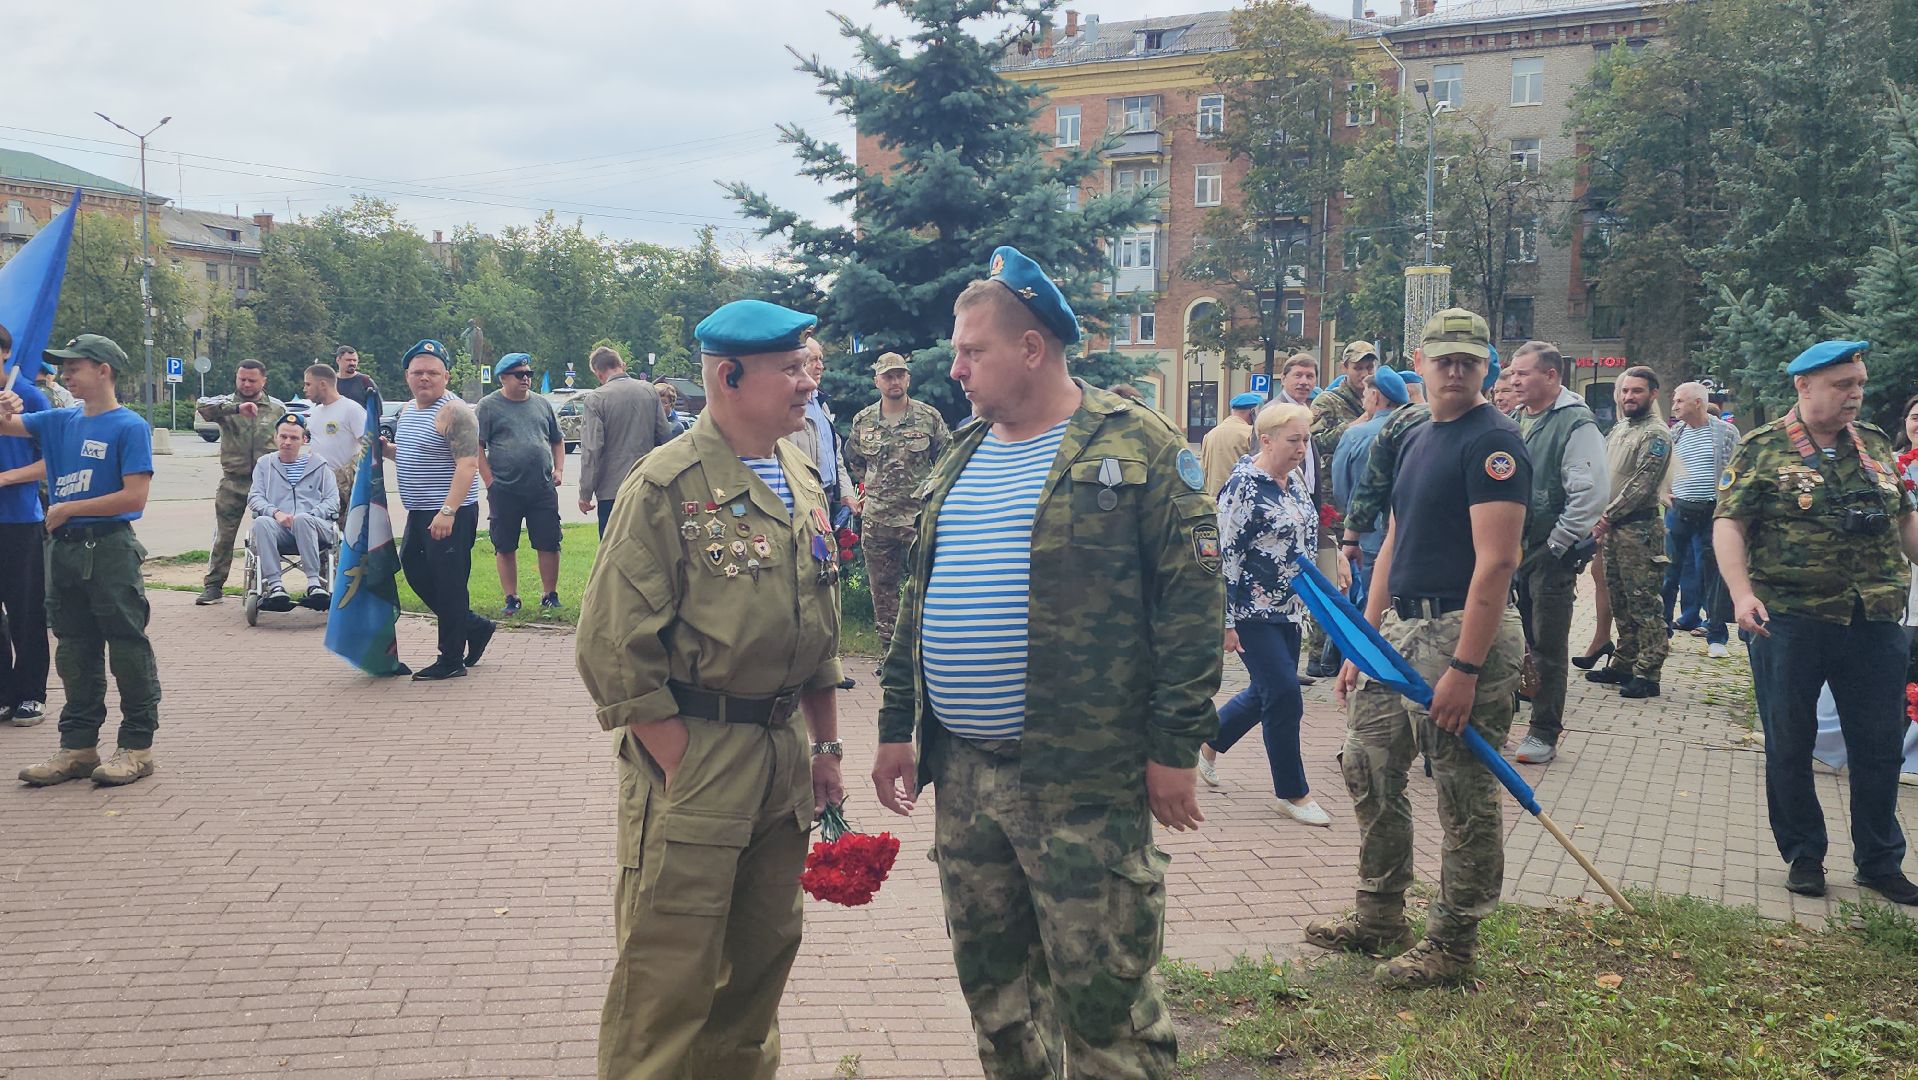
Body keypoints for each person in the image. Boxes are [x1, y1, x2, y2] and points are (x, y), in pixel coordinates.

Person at [871, 246, 1222, 1076]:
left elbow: (1192, 607)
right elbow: (918, 600)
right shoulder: (961, 453)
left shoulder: (1136, 445)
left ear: (1032, 348)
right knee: (997, 1007)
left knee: (1107, 1012)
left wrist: (1175, 748)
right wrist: (894, 726)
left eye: (972, 350)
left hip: (1083, 780)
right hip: (965, 776)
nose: (955, 369)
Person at [575, 298, 846, 1078]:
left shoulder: (798, 471)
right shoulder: (665, 486)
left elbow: (817, 623)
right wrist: (680, 759)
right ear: (729, 376)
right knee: (668, 976)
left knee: (759, 968)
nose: (807, 382)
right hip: (700, 751)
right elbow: (610, 644)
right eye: (789, 368)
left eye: (806, 365)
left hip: (783, 756)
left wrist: (825, 747)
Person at [1306, 308, 1530, 989]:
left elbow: (1498, 562)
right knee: (1366, 761)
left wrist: (1465, 668)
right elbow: (1395, 541)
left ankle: (1453, 945)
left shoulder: (1494, 443)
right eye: (1444, 359)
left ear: (1486, 365)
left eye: (1469, 360)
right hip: (1401, 632)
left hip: (1463, 631)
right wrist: (1363, 639)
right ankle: (1380, 915)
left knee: (1463, 792)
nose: (1456, 370)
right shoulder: (1416, 435)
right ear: (1420, 362)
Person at [1715, 340, 1918, 906]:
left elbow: (1904, 519)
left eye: (1859, 384)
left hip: (1873, 618)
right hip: (1790, 619)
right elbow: (1729, 525)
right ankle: (1804, 854)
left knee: (1879, 745)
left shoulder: (1874, 443)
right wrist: (1740, 594)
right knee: (1790, 741)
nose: (1855, 395)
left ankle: (1879, 861)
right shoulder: (1762, 448)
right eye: (1842, 385)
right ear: (1803, 386)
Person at [0, 335, 161, 787]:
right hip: (64, 549)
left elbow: (135, 497)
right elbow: (7, 425)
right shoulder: (58, 420)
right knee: (73, 649)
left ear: (104, 370)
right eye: (65, 367)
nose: (66, 374)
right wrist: (5, 402)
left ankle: (136, 747)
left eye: (75, 366)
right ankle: (78, 747)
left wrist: (70, 507)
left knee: (126, 646)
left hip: (108, 548)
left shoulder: (129, 425)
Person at [1203, 401, 1330, 827]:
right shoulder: (1243, 485)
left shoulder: (1294, 481)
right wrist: (1225, 620)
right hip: (1250, 610)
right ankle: (1292, 793)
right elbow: (1224, 554)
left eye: (1306, 440)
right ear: (1266, 440)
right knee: (1284, 694)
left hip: (1290, 608)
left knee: (1266, 692)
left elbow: (1304, 535)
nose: (1301, 449)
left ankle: (1207, 741)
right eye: (1293, 440)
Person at [1507, 342, 1608, 764]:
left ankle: (1544, 730)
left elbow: (1590, 493)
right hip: (1514, 550)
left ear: (1551, 375)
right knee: (1514, 639)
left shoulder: (1574, 422)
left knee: (1547, 643)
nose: (1514, 381)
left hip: (1550, 553)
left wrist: (1557, 543)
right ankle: (1502, 719)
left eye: (1523, 373)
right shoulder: (1518, 419)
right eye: (1512, 373)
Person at [385, 339, 494, 681]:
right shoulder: (408, 410)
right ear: (407, 376)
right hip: (419, 510)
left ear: (446, 376)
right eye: (418, 372)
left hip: (449, 512)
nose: (424, 378)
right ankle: (472, 626)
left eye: (432, 372)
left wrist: (448, 511)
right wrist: (385, 450)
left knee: (449, 584)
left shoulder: (456, 412)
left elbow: (467, 465)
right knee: (415, 571)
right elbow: (412, 453)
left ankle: (451, 659)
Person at [843, 352, 950, 668]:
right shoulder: (864, 421)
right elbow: (854, 459)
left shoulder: (928, 417)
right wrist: (874, 487)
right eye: (888, 376)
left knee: (926, 587)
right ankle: (890, 657)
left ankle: (923, 653)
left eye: (900, 375)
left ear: (908, 378)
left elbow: (946, 457)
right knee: (883, 591)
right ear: (877, 381)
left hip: (917, 519)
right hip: (878, 521)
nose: (895, 381)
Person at [1588, 366, 1672, 698]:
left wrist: (1605, 516)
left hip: (1639, 530)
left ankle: (1649, 671)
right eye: (1625, 390)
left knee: (1643, 602)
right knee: (1620, 599)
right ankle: (1624, 662)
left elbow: (1641, 485)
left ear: (1653, 394)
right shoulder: (1621, 428)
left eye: (1637, 391)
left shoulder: (1656, 434)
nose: (1629, 396)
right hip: (1615, 531)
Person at [477, 353, 565, 615]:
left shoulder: (542, 403)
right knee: (505, 544)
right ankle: (511, 597)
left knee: (549, 541)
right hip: (504, 488)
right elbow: (477, 446)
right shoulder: (488, 406)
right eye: (519, 374)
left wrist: (559, 469)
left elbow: (557, 439)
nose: (525, 378)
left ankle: (550, 595)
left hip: (541, 486)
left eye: (528, 374)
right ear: (503, 378)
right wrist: (489, 480)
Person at [196, 360, 286, 605]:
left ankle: (270, 585)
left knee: (270, 534)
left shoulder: (277, 408)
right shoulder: (226, 404)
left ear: (263, 381)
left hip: (268, 483)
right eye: (242, 379)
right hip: (233, 481)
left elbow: (292, 434)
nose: (246, 384)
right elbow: (202, 407)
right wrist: (236, 409)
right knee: (224, 535)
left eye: (252, 380)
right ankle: (214, 585)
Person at [1663, 381, 1740, 658]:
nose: (1674, 406)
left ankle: (1716, 635)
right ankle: (1662, 632)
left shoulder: (1725, 432)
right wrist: (1663, 493)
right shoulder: (1675, 432)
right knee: (1668, 572)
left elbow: (1736, 470)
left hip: (1712, 511)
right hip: (1678, 510)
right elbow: (1662, 468)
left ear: (1698, 403)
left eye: (1679, 401)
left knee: (1713, 574)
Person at [0, 322, 51, 729]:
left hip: (18, 520)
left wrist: (6, 478)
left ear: (5, 353)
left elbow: (54, 458)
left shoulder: (29, 397)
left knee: (26, 611)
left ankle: (31, 692)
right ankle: (3, 692)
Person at [1331, 368, 1411, 608]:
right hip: (1405, 537)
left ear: (1376, 397)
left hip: (1366, 538)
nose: (1363, 399)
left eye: (1365, 393)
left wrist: (1352, 528)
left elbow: (1340, 488)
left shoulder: (1355, 434)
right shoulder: (1416, 431)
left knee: (1367, 605)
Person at [246, 414, 339, 610]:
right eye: (283, 436)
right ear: (275, 437)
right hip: (279, 528)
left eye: (294, 438)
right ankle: (275, 587)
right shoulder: (264, 464)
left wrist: (312, 515)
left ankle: (314, 584)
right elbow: (254, 497)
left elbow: (333, 500)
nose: (287, 442)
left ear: (304, 440)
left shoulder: (320, 465)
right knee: (261, 522)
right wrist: (276, 513)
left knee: (303, 519)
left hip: (314, 528)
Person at [576, 345, 671, 535]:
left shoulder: (596, 399)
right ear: (622, 365)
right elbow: (664, 434)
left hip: (612, 490)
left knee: (613, 547)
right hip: (646, 483)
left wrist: (585, 493)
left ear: (598, 373)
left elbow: (592, 449)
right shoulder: (649, 390)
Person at [785, 339, 856, 515]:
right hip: (803, 503)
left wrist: (846, 492)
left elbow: (835, 454)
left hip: (828, 499)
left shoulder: (821, 404)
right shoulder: (787, 408)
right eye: (813, 360)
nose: (820, 366)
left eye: (821, 359)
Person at [302, 363, 367, 522]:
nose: (304, 389)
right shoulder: (315, 412)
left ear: (322, 384)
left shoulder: (352, 409)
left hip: (345, 489)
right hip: (319, 487)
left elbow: (368, 446)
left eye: (308, 384)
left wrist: (352, 474)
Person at [1201, 391, 1261, 495]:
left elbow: (1203, 470)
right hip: (1240, 497)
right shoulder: (1252, 433)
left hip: (1214, 497)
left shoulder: (1210, 434)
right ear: (1253, 412)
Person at [332, 344, 378, 409]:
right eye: (348, 360)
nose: (352, 363)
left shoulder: (366, 382)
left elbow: (377, 409)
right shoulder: (330, 382)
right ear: (338, 360)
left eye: (355, 360)